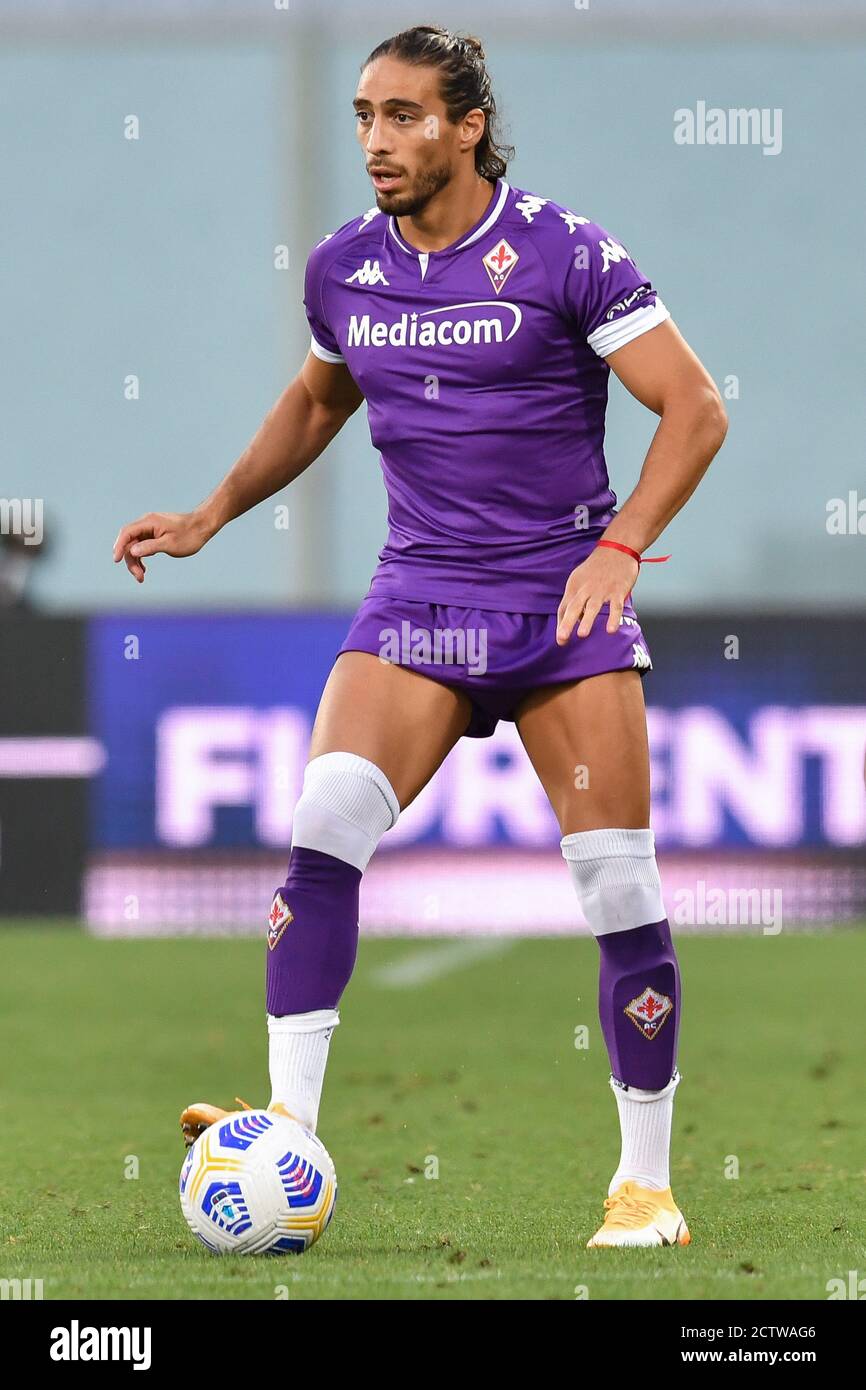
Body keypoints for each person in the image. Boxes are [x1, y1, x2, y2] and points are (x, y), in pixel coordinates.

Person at [113, 25, 727, 1249]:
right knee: (323, 819)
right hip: (420, 601)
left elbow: (694, 408)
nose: (376, 142)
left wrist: (618, 549)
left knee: (616, 885)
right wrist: (208, 514)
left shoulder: (564, 252)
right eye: (361, 117)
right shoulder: (345, 268)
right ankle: (288, 1132)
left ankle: (645, 1185)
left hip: (560, 606)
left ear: (466, 126)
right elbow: (315, 399)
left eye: (402, 116)